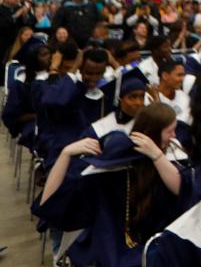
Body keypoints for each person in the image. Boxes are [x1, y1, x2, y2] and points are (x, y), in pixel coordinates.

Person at [35, 104, 186, 267]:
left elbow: (182, 190)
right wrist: (65, 153)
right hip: (114, 254)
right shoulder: (104, 175)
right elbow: (48, 204)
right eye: (170, 131)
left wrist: (157, 156)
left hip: (152, 251)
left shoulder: (166, 165)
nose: (174, 136)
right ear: (153, 133)